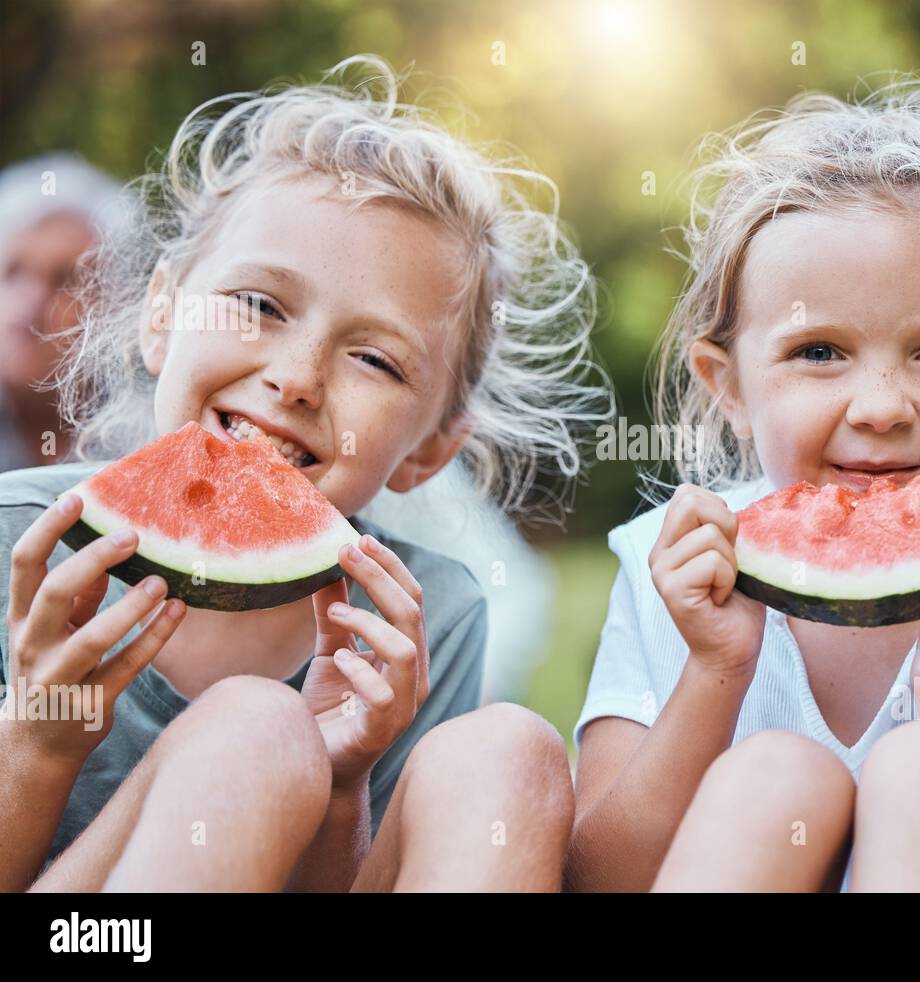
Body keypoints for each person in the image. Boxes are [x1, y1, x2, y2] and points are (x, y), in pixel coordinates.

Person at [0, 56, 606, 892]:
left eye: (374, 359)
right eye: (258, 305)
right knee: (256, 723)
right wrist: (38, 738)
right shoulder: (14, 540)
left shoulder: (423, 619)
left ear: (430, 449)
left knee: (514, 750)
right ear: (161, 315)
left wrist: (341, 783)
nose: (295, 377)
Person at [567, 79, 920, 892]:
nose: (879, 408)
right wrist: (715, 672)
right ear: (727, 387)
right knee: (774, 774)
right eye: (819, 352)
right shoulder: (671, 567)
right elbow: (601, 880)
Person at [0, 154, 124, 471]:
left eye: (65, 280)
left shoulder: (143, 431)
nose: (33, 299)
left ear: (114, 305)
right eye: (14, 271)